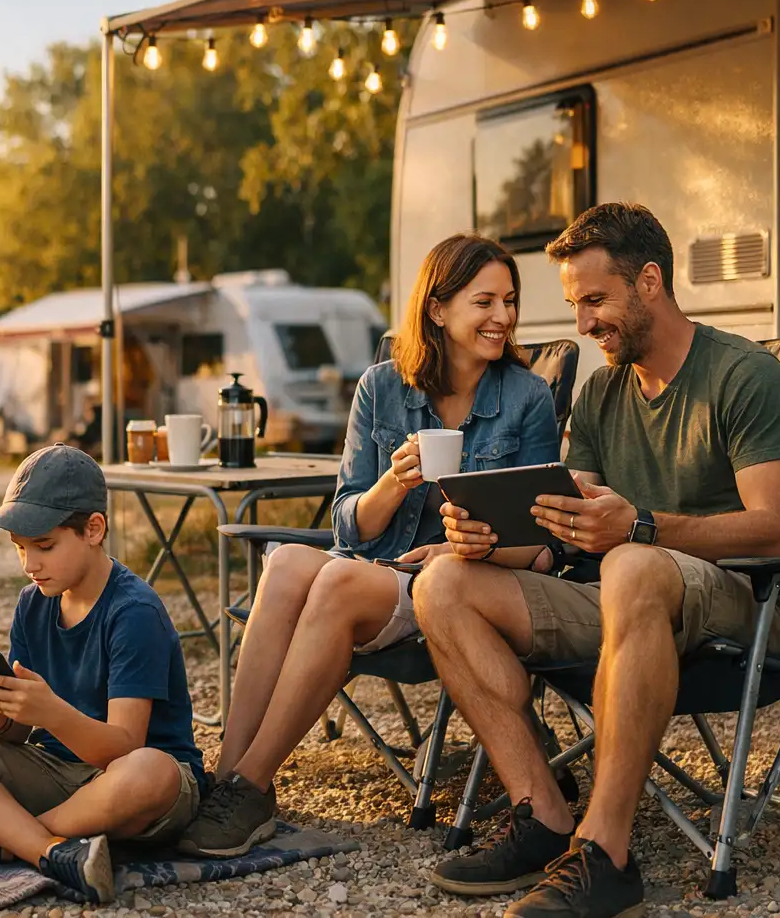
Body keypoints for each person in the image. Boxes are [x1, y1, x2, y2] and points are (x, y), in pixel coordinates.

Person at [413, 203, 780, 917]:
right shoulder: (601, 391)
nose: (582, 324)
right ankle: (542, 815)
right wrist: (484, 541)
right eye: (575, 304)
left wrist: (642, 527)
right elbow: (565, 526)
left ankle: (607, 855)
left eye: (595, 300)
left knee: (629, 561)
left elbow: (779, 531)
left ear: (649, 282)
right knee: (443, 584)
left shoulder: (745, 376)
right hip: (624, 604)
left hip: (748, 603)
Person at [177, 233, 563, 859]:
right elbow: (347, 525)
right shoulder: (380, 387)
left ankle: (253, 784)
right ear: (437, 309)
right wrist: (393, 482)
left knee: (336, 578)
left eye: (509, 301)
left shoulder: (527, 398)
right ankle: (227, 778)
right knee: (285, 564)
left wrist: (458, 551)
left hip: (457, 583)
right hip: (376, 565)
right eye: (485, 301)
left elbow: (539, 535)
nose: (503, 316)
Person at [0, 444, 204, 905]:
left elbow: (125, 747)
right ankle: (50, 849)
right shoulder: (33, 602)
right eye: (19, 548)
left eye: (44, 546)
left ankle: (2, 840)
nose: (29, 564)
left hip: (131, 780)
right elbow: (19, 734)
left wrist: (51, 713)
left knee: (151, 772)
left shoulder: (134, 611)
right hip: (57, 773)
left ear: (93, 529)